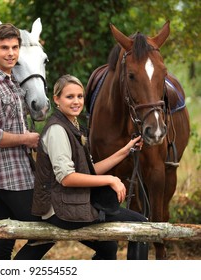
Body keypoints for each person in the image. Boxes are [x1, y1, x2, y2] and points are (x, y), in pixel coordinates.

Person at [32, 74, 149, 260]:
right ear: (56, 99)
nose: (76, 101)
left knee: (108, 247)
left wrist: (125, 150)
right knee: (141, 226)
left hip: (72, 202)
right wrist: (111, 179)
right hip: (61, 209)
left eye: (80, 96)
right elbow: (67, 178)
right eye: (69, 97)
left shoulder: (72, 125)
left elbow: (89, 170)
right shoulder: (57, 129)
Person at [0, 23, 54, 260]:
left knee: (3, 242)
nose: (10, 53)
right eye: (4, 47)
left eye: (14, 47)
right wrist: (25, 139)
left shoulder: (12, 83)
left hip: (19, 171)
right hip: (5, 176)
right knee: (47, 231)